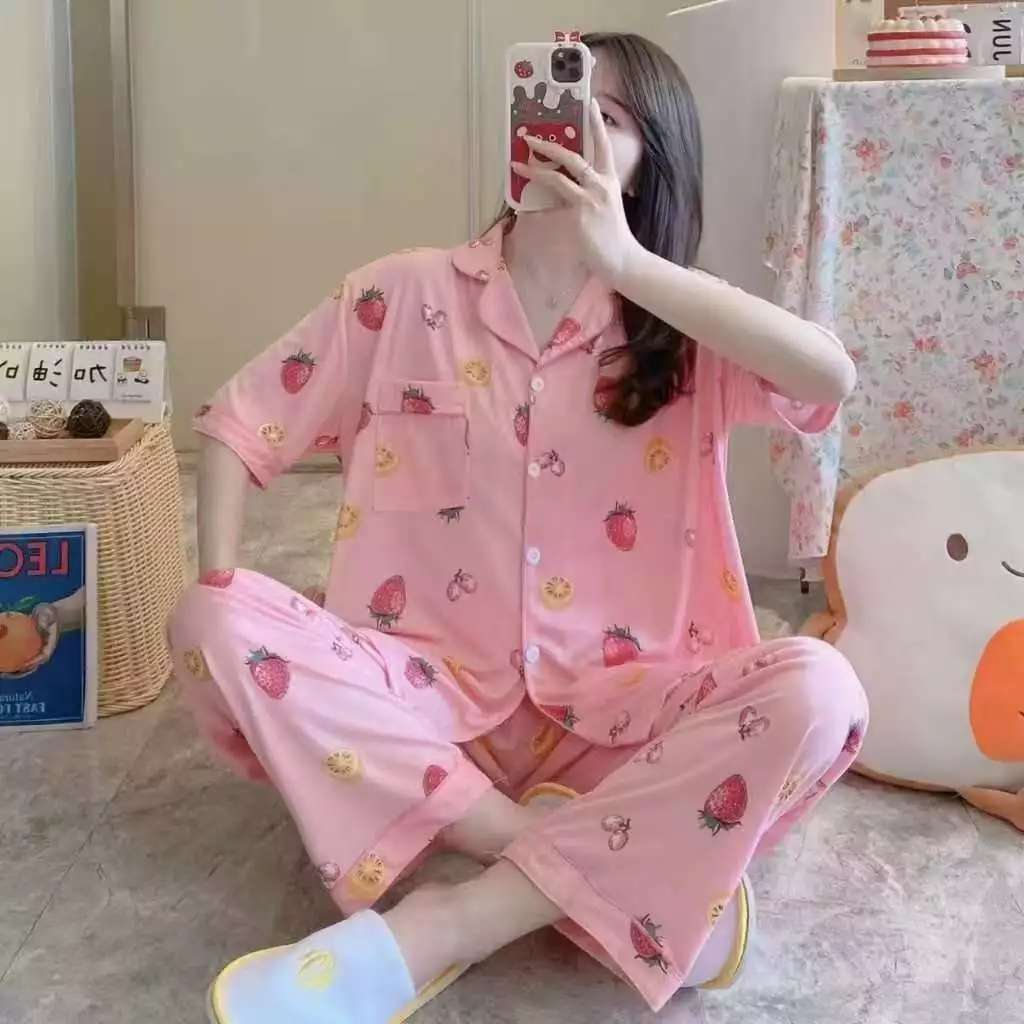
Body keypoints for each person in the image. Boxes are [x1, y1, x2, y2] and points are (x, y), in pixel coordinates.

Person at [170, 31, 867, 1024]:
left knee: (823, 689)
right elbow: (238, 424)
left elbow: (828, 375)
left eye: (608, 120)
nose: (572, 133)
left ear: (652, 162)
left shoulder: (684, 329)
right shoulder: (400, 294)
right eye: (560, 106)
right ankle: (590, 862)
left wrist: (626, 264)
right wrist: (223, 576)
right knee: (210, 616)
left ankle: (453, 919)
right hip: (422, 713)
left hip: (628, 721)